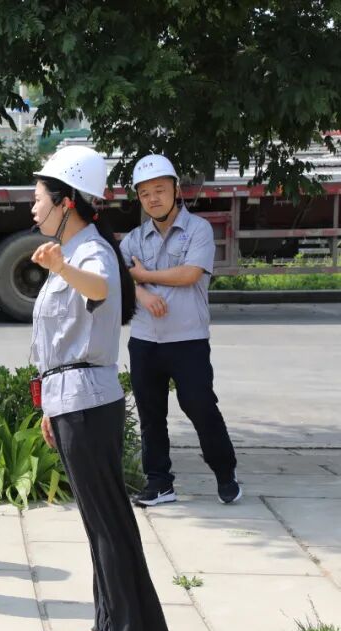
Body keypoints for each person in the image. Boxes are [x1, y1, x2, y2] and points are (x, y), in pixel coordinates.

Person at [29, 145, 169, 631]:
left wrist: (62, 267)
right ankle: (111, 621)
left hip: (88, 401)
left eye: (38, 199)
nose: (32, 209)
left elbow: (102, 289)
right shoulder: (75, 250)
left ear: (65, 201)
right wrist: (48, 407)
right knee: (98, 519)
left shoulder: (88, 252)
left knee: (107, 519)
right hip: (71, 400)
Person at [122, 154, 240, 507]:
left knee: (200, 405)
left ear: (176, 190)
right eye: (145, 193)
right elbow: (118, 272)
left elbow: (190, 273)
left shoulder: (198, 230)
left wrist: (144, 275)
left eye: (159, 190)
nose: (152, 198)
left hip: (187, 339)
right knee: (150, 414)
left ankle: (225, 474)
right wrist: (141, 292)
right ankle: (159, 483)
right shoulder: (134, 238)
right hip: (145, 340)